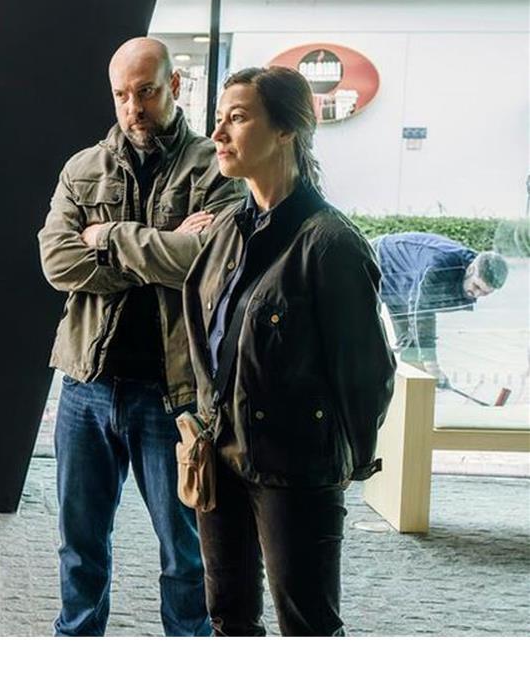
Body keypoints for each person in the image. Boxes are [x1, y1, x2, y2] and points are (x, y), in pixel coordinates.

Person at [37, 37, 243, 636]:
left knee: (184, 556)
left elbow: (207, 262)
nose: (134, 107)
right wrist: (164, 244)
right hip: (86, 387)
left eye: (147, 91)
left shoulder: (214, 166)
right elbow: (57, 264)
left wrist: (107, 236)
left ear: (175, 87)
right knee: (79, 545)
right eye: (122, 95)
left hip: (172, 397)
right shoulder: (83, 168)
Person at [179, 66, 395, 635]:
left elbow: (367, 372)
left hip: (296, 467)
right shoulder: (227, 228)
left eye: (239, 118)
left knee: (307, 626)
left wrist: (347, 460)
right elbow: (205, 334)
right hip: (219, 456)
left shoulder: (330, 243)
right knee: (227, 617)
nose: (219, 134)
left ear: (286, 132)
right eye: (219, 119)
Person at [370, 232, 508, 385]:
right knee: (360, 326)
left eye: (485, 293)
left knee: (411, 345)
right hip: (378, 258)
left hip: (401, 282)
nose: (476, 294)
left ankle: (416, 392)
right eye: (476, 287)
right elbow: (423, 313)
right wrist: (433, 366)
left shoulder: (478, 265)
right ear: (470, 270)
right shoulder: (440, 266)